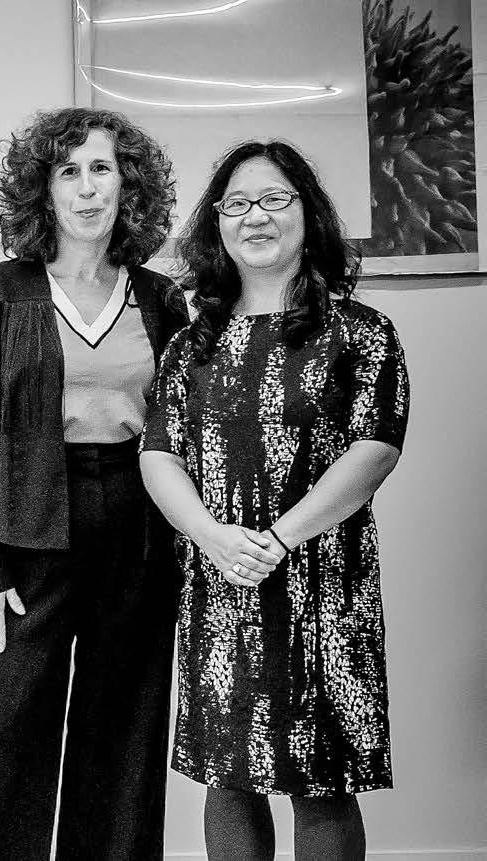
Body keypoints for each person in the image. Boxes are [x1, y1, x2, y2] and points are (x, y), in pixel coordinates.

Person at [140, 140, 408, 861]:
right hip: (220, 580)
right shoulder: (191, 346)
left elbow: (375, 449)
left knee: (323, 777)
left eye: (273, 199)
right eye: (235, 204)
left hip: (324, 584)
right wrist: (214, 538)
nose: (254, 217)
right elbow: (159, 455)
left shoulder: (361, 333)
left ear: (307, 214)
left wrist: (278, 538)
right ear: (217, 225)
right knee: (228, 775)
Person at [0, 107, 187, 860]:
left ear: (127, 185)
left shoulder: (160, 298)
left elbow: (181, 429)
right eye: (67, 171)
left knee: (124, 734)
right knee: (0, 734)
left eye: (101, 169)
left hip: (140, 529)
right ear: (42, 190)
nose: (86, 187)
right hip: (26, 527)